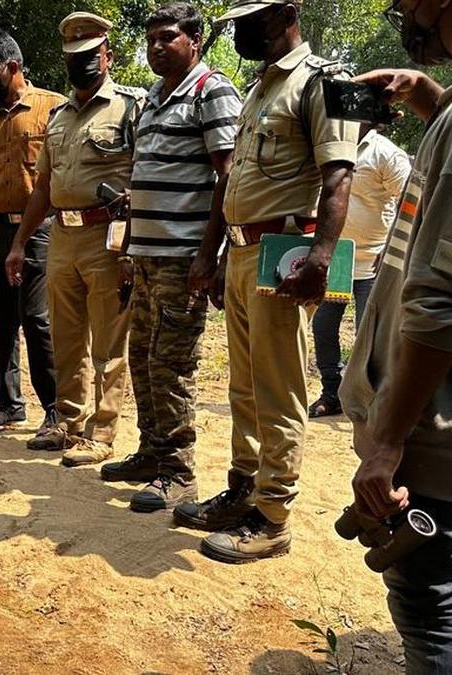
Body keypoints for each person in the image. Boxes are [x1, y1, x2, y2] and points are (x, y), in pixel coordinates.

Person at [174, 0, 358, 563]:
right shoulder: (260, 88)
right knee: (245, 386)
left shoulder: (322, 82)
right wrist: (212, 253)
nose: (236, 34)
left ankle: (273, 515)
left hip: (283, 255)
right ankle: (244, 488)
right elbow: (231, 179)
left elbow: (339, 174)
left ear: (285, 16)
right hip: (241, 252)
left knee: (278, 389)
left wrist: (321, 255)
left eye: (248, 23)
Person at [341, 3, 452, 668]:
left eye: (405, 4)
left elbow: (440, 305)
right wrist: (428, 96)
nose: (401, 15)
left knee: (430, 612)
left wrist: (385, 444)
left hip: (435, 440)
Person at [99, 3, 241, 512]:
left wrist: (210, 255)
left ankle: (179, 472)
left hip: (185, 259)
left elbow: (228, 177)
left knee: (172, 363)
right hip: (147, 258)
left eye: (168, 38)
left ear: (195, 41)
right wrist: (128, 250)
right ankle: (152, 452)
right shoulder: (154, 100)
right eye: (151, 39)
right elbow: (140, 184)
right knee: (141, 357)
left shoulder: (212, 91)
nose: (157, 47)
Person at [6, 12, 143, 465]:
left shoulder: (130, 107)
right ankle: (67, 421)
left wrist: (133, 244)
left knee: (108, 341)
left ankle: (101, 433)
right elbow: (43, 187)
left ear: (107, 56)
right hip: (62, 235)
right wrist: (19, 242)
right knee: (66, 337)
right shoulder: (60, 117)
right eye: (72, 57)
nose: (80, 64)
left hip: (109, 237)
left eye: (88, 55)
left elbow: (145, 177)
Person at [0, 28, 65, 440]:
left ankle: (54, 409)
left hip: (38, 229)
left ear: (14, 68)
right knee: (1, 320)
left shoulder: (52, 108)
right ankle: (9, 405)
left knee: (36, 318)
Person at [308, 126, 410, 418]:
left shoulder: (386, 153)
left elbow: (411, 201)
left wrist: (392, 246)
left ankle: (371, 401)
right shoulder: (330, 146)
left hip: (376, 262)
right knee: (323, 327)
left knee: (371, 337)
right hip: (338, 259)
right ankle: (331, 394)